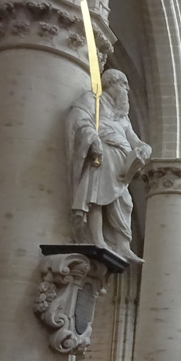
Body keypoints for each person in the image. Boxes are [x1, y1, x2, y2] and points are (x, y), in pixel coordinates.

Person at [66, 69, 151, 264]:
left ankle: (122, 245)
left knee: (125, 202)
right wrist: (91, 138)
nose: (127, 90)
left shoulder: (123, 117)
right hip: (102, 154)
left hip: (122, 166)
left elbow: (135, 140)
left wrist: (144, 148)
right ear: (111, 83)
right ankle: (96, 238)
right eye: (124, 84)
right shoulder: (94, 100)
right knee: (97, 197)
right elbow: (79, 118)